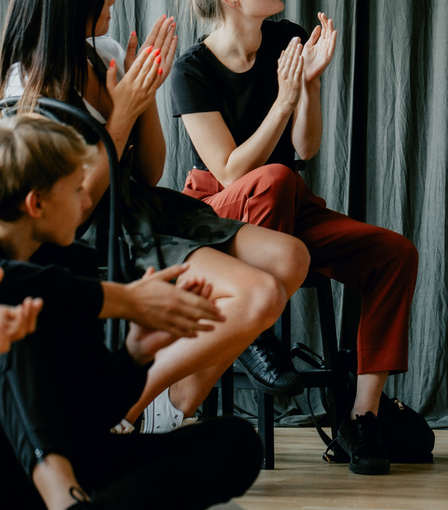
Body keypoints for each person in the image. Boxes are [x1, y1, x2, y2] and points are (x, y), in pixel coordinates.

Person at [0, 0, 311, 434]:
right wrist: (120, 114)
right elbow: (76, 209)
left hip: (142, 204)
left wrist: (144, 95)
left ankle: (174, 404)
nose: (112, 0)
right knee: (257, 297)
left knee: (291, 258)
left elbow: (148, 171)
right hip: (98, 229)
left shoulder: (101, 55)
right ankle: (124, 403)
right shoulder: (26, 87)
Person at [168, 0, 423, 475]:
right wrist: (283, 101)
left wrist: (308, 84)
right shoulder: (192, 70)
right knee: (274, 178)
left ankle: (363, 418)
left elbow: (306, 148)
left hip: (287, 204)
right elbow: (231, 170)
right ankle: (253, 331)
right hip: (219, 219)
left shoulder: (288, 39)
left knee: (393, 253)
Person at [0, 113, 262, 510]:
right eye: (75, 190)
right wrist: (126, 299)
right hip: (11, 470)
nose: (87, 201)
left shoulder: (75, 267)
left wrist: (138, 351)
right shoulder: (34, 286)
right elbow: (18, 281)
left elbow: (95, 414)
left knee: (235, 443)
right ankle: (62, 493)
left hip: (78, 459)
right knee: (19, 314)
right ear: (36, 204)